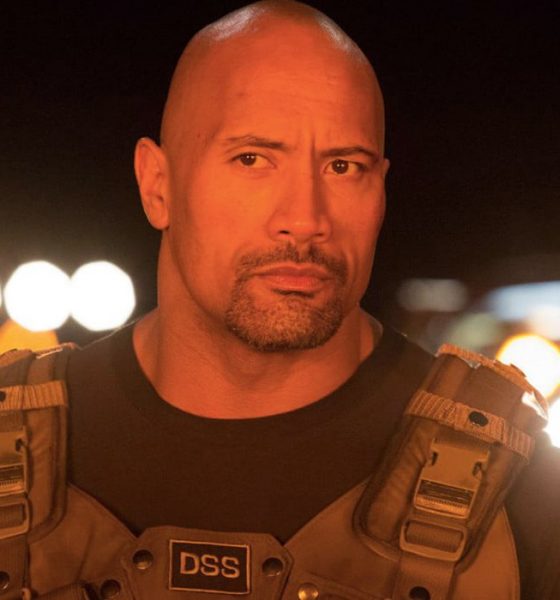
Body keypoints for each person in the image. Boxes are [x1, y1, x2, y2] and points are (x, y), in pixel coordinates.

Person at [2, 2, 559, 599]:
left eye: (343, 166)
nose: (305, 218)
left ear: (381, 191)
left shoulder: (519, 494)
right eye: (252, 160)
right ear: (157, 185)